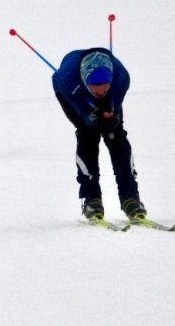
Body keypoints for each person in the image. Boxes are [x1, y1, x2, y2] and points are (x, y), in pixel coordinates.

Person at [51, 48, 147, 220]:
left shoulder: (121, 79)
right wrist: (89, 117)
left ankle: (130, 198)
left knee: (115, 136)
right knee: (88, 135)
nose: (101, 90)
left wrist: (111, 113)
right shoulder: (68, 83)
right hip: (72, 94)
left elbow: (113, 106)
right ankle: (91, 200)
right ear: (87, 81)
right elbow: (82, 111)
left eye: (105, 86)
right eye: (96, 86)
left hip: (105, 88)